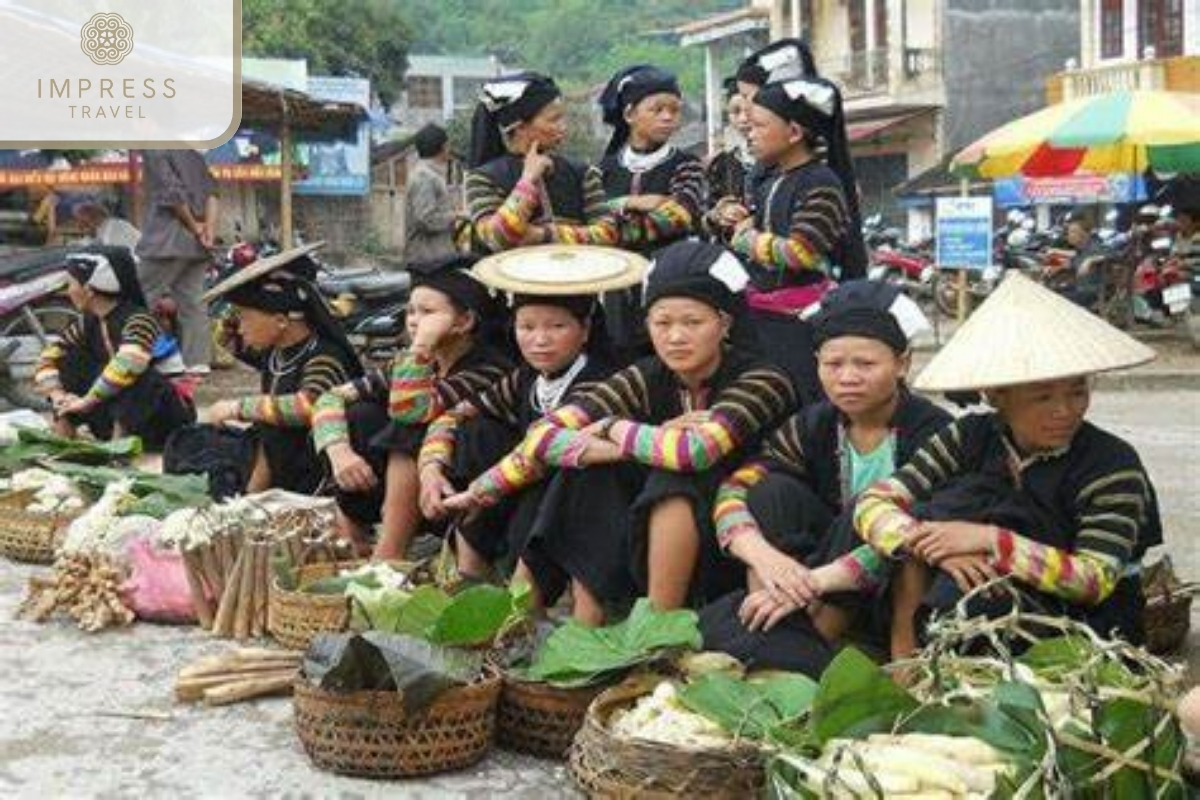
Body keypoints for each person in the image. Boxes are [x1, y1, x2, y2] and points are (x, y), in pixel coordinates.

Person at [444, 240, 796, 624]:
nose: (676, 337)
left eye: (692, 322)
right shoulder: (645, 376)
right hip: (652, 534)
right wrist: (631, 444)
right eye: (662, 323)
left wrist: (611, 428)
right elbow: (544, 437)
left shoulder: (762, 378)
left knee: (670, 476)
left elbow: (694, 451)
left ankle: (657, 628)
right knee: (588, 472)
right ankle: (574, 617)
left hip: (741, 529)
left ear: (724, 324)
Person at [853, 272, 1162, 655]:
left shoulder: (1111, 464)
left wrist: (988, 540)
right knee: (926, 519)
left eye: (1077, 391)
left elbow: (1093, 579)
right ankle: (904, 650)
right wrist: (938, 545)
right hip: (976, 592)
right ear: (998, 395)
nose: (1064, 410)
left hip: (1080, 627)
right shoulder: (968, 436)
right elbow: (874, 502)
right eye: (1043, 397)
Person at [698, 281, 951, 674]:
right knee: (771, 491)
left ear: (902, 363)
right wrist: (763, 557)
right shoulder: (813, 425)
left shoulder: (935, 431)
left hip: (891, 583)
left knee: (872, 512)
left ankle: (844, 643)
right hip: (807, 581)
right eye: (833, 364)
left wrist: (818, 580)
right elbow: (736, 488)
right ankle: (778, 622)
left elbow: (924, 532)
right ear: (816, 362)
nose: (847, 377)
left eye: (865, 364)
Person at [419, 254, 633, 579]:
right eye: (527, 326)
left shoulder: (600, 382)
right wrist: (431, 468)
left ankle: (534, 599)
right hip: (518, 482)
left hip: (577, 494)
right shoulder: (524, 379)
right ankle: (470, 570)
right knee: (476, 432)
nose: (540, 340)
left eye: (557, 326)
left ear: (585, 329)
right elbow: (451, 416)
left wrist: (480, 489)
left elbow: (543, 448)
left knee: (557, 487)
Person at [312, 256, 512, 559]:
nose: (415, 321)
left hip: (466, 484)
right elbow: (330, 398)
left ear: (465, 321)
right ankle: (355, 536)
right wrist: (339, 452)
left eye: (428, 312)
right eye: (410, 311)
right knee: (360, 415)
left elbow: (411, 411)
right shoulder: (415, 363)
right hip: (421, 479)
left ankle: (390, 553)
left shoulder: (488, 368)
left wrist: (420, 348)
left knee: (406, 424)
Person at [716, 72, 868, 405]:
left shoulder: (821, 182)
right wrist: (734, 217)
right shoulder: (772, 181)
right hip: (762, 316)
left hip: (800, 321)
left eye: (758, 126)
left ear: (794, 132)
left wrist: (745, 238)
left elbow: (801, 251)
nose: (749, 133)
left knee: (798, 400)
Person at [183, 244, 364, 495]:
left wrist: (237, 408)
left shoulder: (324, 357)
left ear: (281, 321)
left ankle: (256, 494)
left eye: (245, 318)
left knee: (270, 420)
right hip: (282, 460)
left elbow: (308, 405)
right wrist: (230, 321)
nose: (242, 328)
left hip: (316, 467)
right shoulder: (276, 353)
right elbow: (235, 344)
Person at [596, 64, 706, 360]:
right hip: (616, 289)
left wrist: (612, 227)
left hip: (670, 283)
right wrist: (631, 202)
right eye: (657, 109)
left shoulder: (687, 165)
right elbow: (589, 215)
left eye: (674, 110)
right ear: (630, 114)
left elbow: (678, 216)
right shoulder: (603, 170)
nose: (668, 117)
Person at [33, 249, 193, 450]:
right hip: (116, 411)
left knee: (132, 373)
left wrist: (87, 401)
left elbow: (129, 363)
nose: (68, 290)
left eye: (71, 283)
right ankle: (63, 439)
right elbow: (48, 358)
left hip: (164, 416)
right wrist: (58, 397)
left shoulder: (139, 319)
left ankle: (119, 451)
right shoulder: (88, 322)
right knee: (69, 359)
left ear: (89, 290)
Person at [463, 72, 618, 254]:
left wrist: (543, 234)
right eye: (554, 119)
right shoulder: (482, 178)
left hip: (577, 279)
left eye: (562, 118)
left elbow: (608, 234)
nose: (563, 127)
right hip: (514, 281)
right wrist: (528, 180)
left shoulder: (582, 173)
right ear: (519, 126)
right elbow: (496, 239)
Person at [135, 148, 220, 376]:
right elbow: (213, 193)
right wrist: (207, 230)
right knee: (193, 303)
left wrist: (194, 227)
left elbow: (172, 194)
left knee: (136, 298)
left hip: (166, 241)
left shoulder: (155, 150)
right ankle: (197, 362)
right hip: (197, 244)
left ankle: (128, 356)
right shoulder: (192, 153)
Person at [404, 124, 459, 265]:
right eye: (448, 145)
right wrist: (457, 216)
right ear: (444, 146)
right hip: (427, 261)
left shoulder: (430, 174)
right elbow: (426, 219)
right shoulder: (424, 177)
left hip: (434, 257)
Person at [704, 77, 755, 225]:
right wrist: (720, 213)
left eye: (749, 110)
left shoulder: (781, 160)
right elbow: (703, 217)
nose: (743, 119)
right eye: (735, 111)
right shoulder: (720, 164)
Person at [1047, 212, 1106, 309]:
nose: (1069, 235)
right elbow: (1071, 262)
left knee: (1054, 300)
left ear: (1084, 234)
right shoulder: (1081, 250)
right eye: (1069, 232)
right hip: (1078, 288)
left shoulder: (1095, 245)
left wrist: (1091, 260)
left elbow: (1115, 254)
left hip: (1091, 293)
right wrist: (1054, 265)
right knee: (1049, 293)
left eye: (1073, 232)